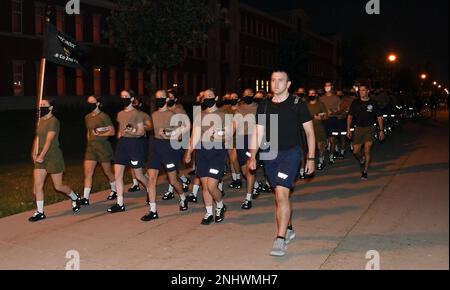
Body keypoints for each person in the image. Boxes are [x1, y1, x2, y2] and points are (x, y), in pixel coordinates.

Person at [248, 70, 316, 256]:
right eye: (273, 80)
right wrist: (252, 155)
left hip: (291, 153)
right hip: (269, 154)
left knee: (281, 192)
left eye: (281, 80)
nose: (276, 83)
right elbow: (258, 132)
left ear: (288, 84)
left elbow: (309, 133)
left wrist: (310, 157)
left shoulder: (298, 104)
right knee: (280, 195)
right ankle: (289, 228)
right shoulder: (264, 105)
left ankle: (280, 239)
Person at [29, 99, 81, 222]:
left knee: (58, 186)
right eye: (40, 105)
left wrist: (41, 155)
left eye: (44, 105)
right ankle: (40, 212)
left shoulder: (54, 121)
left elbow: (49, 140)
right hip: (40, 155)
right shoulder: (40, 121)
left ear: (51, 107)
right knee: (38, 185)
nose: (42, 107)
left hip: (53, 156)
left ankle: (75, 197)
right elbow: (37, 138)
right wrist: (33, 152)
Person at [141, 90, 189, 221]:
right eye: (157, 98)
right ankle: (152, 210)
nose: (159, 100)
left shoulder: (173, 114)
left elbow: (183, 128)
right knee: (151, 180)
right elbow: (154, 129)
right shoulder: (154, 114)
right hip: (156, 147)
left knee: (173, 180)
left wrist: (171, 134)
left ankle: (183, 197)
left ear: (167, 100)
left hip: (169, 148)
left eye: (162, 97)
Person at [184, 89, 230, 225]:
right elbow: (195, 136)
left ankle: (220, 205)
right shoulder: (200, 115)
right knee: (205, 185)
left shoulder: (223, 115)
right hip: (202, 152)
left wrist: (220, 136)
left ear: (216, 98)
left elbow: (228, 136)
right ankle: (209, 212)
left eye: (210, 96)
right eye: (205, 97)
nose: (207, 98)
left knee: (211, 185)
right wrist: (188, 152)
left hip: (217, 152)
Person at [107, 90, 148, 213]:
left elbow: (141, 131)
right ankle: (120, 204)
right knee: (117, 175)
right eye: (122, 97)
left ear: (132, 99)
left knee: (139, 175)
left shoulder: (137, 113)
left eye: (126, 96)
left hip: (134, 144)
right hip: (122, 145)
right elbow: (120, 129)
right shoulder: (120, 114)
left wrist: (133, 131)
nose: (124, 98)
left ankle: (150, 190)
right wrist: (120, 135)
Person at [80, 96, 116, 206]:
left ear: (98, 103)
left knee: (107, 171)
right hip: (91, 148)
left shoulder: (104, 116)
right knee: (88, 173)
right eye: (88, 102)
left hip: (103, 147)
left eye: (92, 102)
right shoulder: (87, 117)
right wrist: (89, 142)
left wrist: (100, 134)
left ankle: (115, 190)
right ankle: (85, 198)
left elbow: (112, 132)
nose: (90, 104)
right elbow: (88, 132)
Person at [347, 84, 384, 180]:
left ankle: (365, 172)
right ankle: (361, 159)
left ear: (368, 91)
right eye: (359, 90)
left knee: (367, 150)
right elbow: (350, 116)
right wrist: (348, 129)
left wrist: (381, 130)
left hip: (370, 129)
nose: (361, 92)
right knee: (355, 151)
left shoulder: (373, 103)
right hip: (358, 129)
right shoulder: (355, 102)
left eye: (363, 90)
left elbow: (379, 117)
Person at [160, 89, 191, 200]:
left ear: (175, 99)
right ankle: (184, 180)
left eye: (171, 97)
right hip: (166, 141)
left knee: (171, 167)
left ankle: (170, 190)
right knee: (172, 167)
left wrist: (179, 132)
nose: (168, 100)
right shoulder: (165, 110)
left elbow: (188, 125)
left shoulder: (179, 111)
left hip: (177, 143)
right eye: (167, 98)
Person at [234, 88, 259, 210]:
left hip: (252, 139)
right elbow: (234, 124)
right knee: (244, 170)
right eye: (245, 95)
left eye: (250, 94)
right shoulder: (239, 108)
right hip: (240, 139)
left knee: (249, 169)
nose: (247, 96)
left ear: (253, 95)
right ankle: (256, 184)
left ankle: (248, 198)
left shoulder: (258, 108)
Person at [306, 89, 328, 170]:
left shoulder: (320, 104)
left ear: (316, 95)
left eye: (313, 93)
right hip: (308, 128)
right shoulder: (306, 105)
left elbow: (326, 116)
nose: (311, 95)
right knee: (309, 147)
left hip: (319, 128)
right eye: (310, 93)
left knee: (320, 146)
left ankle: (321, 161)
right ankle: (308, 164)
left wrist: (321, 117)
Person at [320, 82, 340, 164]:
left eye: (328, 85)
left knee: (332, 140)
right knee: (323, 141)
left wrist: (332, 111)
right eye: (326, 85)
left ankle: (331, 156)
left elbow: (339, 110)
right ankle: (322, 158)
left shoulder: (336, 98)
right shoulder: (321, 98)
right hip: (324, 121)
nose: (327, 87)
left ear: (331, 87)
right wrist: (323, 113)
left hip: (333, 121)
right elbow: (319, 110)